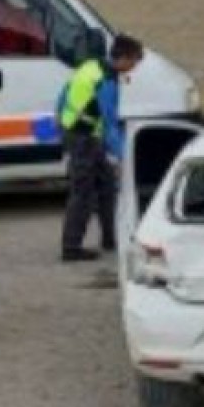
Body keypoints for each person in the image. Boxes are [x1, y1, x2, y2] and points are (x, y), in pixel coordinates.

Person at [58, 33, 146, 261]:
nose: (134, 68)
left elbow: (63, 96)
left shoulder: (91, 66)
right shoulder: (106, 81)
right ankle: (71, 248)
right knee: (83, 193)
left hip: (76, 132)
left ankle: (110, 238)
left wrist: (62, 125)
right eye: (134, 61)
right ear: (124, 58)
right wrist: (126, 155)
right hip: (83, 137)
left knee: (107, 185)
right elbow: (109, 124)